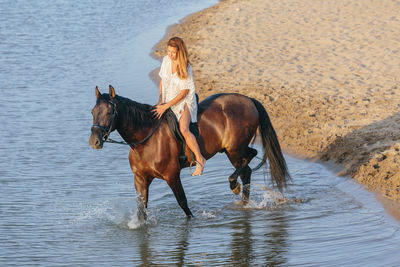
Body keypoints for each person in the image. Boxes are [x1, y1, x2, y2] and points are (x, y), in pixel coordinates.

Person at [152, 37, 206, 176]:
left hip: (185, 100)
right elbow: (163, 82)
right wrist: (160, 100)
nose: (170, 54)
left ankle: (200, 159)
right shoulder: (166, 60)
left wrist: (165, 107)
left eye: (173, 52)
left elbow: (184, 93)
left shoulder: (186, 67)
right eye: (168, 51)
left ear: (179, 52)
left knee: (183, 128)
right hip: (168, 98)